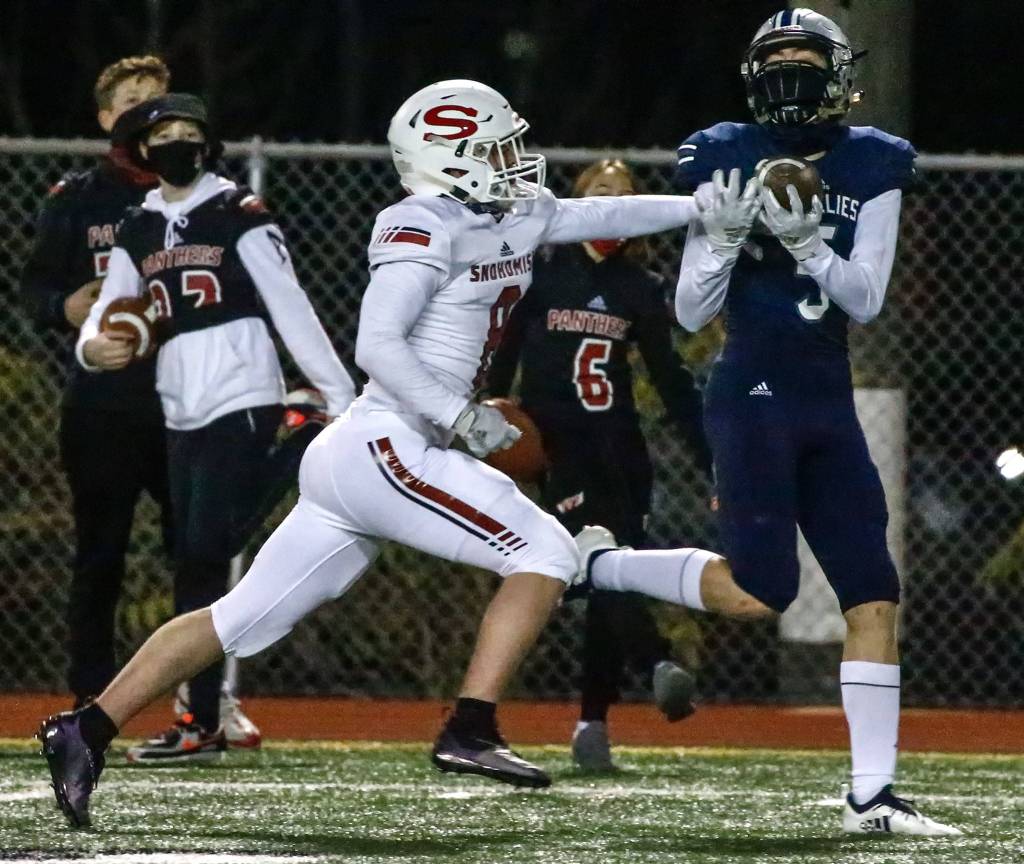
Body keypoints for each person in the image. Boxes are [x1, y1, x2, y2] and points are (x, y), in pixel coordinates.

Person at [37, 79, 729, 828]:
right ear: (451, 157)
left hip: (371, 455)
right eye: (496, 146)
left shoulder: (515, 213)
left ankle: (84, 730)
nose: (515, 159)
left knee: (238, 617)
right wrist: (459, 414)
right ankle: (472, 725)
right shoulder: (419, 222)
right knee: (546, 554)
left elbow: (593, 212)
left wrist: (701, 208)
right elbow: (378, 344)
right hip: (387, 440)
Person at [668, 10, 959, 836]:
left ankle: (872, 795)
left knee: (873, 588)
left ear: (838, 72)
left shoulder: (874, 160)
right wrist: (722, 241)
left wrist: (805, 244)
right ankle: (606, 568)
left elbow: (864, 297)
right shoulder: (721, 151)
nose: (791, 71)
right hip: (751, 390)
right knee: (764, 590)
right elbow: (691, 313)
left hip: (827, 397)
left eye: (806, 58)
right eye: (779, 59)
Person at [69, 93, 356, 764]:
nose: (176, 141)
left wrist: (340, 394)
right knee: (195, 563)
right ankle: (200, 721)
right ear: (143, 148)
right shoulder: (136, 225)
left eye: (188, 131)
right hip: (179, 399)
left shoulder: (236, 212)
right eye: (162, 132)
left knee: (210, 543)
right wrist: (92, 348)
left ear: (208, 143)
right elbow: (108, 310)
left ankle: (308, 429)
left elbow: (290, 303)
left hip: (242, 387)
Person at [487, 158, 712, 770]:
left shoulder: (639, 286)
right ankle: (654, 660)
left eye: (625, 195)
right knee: (600, 564)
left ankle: (592, 722)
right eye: (601, 193)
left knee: (613, 577)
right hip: (560, 449)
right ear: (578, 203)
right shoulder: (539, 272)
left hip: (621, 450)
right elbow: (501, 362)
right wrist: (486, 428)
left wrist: (712, 464)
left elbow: (671, 382)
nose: (613, 203)